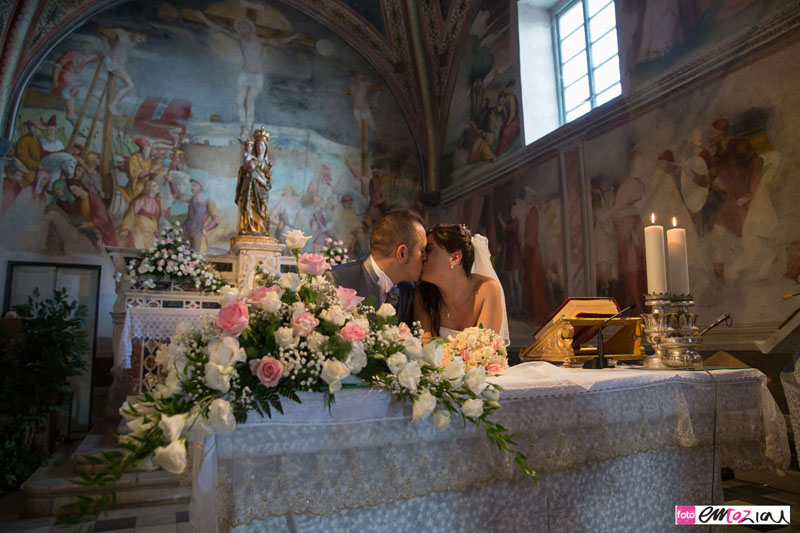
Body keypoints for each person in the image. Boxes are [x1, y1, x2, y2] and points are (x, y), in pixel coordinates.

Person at [327, 210, 426, 326]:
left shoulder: (409, 291)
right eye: (422, 251)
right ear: (402, 253)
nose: (426, 258)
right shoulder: (338, 281)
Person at [413, 224, 509, 344]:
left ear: (455, 258)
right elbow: (426, 348)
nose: (422, 257)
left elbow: (485, 349)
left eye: (429, 250)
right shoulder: (423, 294)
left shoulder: (488, 289)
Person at [166, 175, 219, 251]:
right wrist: (171, 182)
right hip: (185, 230)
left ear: (201, 187)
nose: (192, 188)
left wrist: (205, 229)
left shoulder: (209, 203)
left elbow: (216, 220)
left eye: (195, 185)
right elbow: (177, 195)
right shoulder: (191, 198)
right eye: (192, 186)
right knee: (182, 253)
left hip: (198, 232)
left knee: (198, 254)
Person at [235, 128, 272, 235]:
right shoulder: (251, 160)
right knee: (249, 207)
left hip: (262, 190)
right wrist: (248, 169)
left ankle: (262, 229)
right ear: (255, 147)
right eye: (258, 145)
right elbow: (243, 172)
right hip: (250, 189)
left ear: (266, 148)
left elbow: (269, 181)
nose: (260, 148)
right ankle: (248, 228)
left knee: (262, 209)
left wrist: (268, 174)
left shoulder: (267, 163)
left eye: (263, 146)